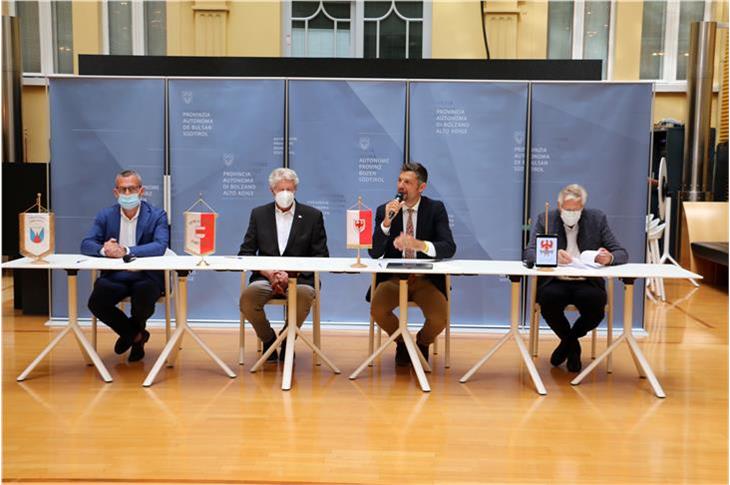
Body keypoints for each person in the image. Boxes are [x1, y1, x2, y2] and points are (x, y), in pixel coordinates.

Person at [524, 184, 628, 372]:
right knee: (548, 300)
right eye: (567, 209)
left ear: (583, 208)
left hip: (587, 281)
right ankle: (574, 348)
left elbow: (621, 252)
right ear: (559, 206)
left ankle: (567, 343)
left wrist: (609, 258)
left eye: (576, 210)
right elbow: (529, 253)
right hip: (556, 281)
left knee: (596, 306)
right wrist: (552, 255)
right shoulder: (546, 218)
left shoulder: (597, 219)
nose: (571, 213)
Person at [369, 162, 456, 367]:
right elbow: (374, 253)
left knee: (439, 318)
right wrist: (386, 223)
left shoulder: (435, 209)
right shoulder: (385, 210)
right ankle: (402, 343)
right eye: (399, 180)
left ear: (421, 187)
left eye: (407, 182)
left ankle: (422, 342)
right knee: (378, 310)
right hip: (394, 280)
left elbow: (449, 247)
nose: (401, 186)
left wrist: (419, 245)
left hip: (425, 280)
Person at [239, 168, 329, 362]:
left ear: (295, 189)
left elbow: (321, 256)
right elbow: (245, 253)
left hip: (301, 279)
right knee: (248, 299)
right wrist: (269, 273)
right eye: (281, 189)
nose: (285, 193)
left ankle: (287, 339)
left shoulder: (312, 216)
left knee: (304, 295)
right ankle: (269, 339)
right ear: (272, 190)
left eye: (289, 189)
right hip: (265, 278)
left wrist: (292, 274)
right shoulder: (259, 214)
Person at [82, 170, 169, 362]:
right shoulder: (106, 215)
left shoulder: (157, 215)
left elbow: (160, 246)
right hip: (116, 275)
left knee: (143, 296)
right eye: (123, 189)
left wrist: (126, 250)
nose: (127, 194)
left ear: (141, 191)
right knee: (96, 302)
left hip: (146, 275)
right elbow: (86, 243)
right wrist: (105, 250)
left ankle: (132, 335)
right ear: (116, 192)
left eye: (132, 189)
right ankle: (136, 335)